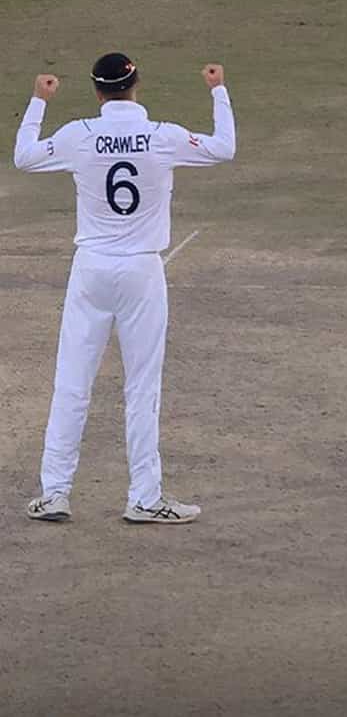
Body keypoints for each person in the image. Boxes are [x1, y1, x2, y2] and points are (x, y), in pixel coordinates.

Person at [16, 55, 236, 524]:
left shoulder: (79, 134)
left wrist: (39, 100)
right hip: (142, 272)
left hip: (90, 268)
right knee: (142, 386)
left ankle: (54, 492)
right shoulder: (163, 136)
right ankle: (144, 497)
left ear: (97, 93)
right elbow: (224, 149)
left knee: (72, 382)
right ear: (136, 85)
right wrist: (218, 89)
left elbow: (24, 157)